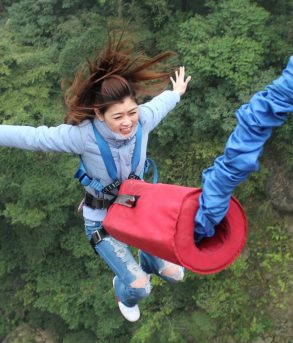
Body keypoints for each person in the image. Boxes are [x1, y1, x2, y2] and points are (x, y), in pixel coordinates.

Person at [0, 34, 191, 322]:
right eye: (117, 117)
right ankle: (122, 288)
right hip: (101, 219)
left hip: (138, 211)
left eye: (131, 112)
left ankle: (150, 262)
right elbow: (34, 136)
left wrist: (175, 93)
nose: (127, 122)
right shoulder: (83, 136)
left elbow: (160, 104)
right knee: (139, 289)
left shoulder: (143, 121)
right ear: (99, 115)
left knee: (176, 274)